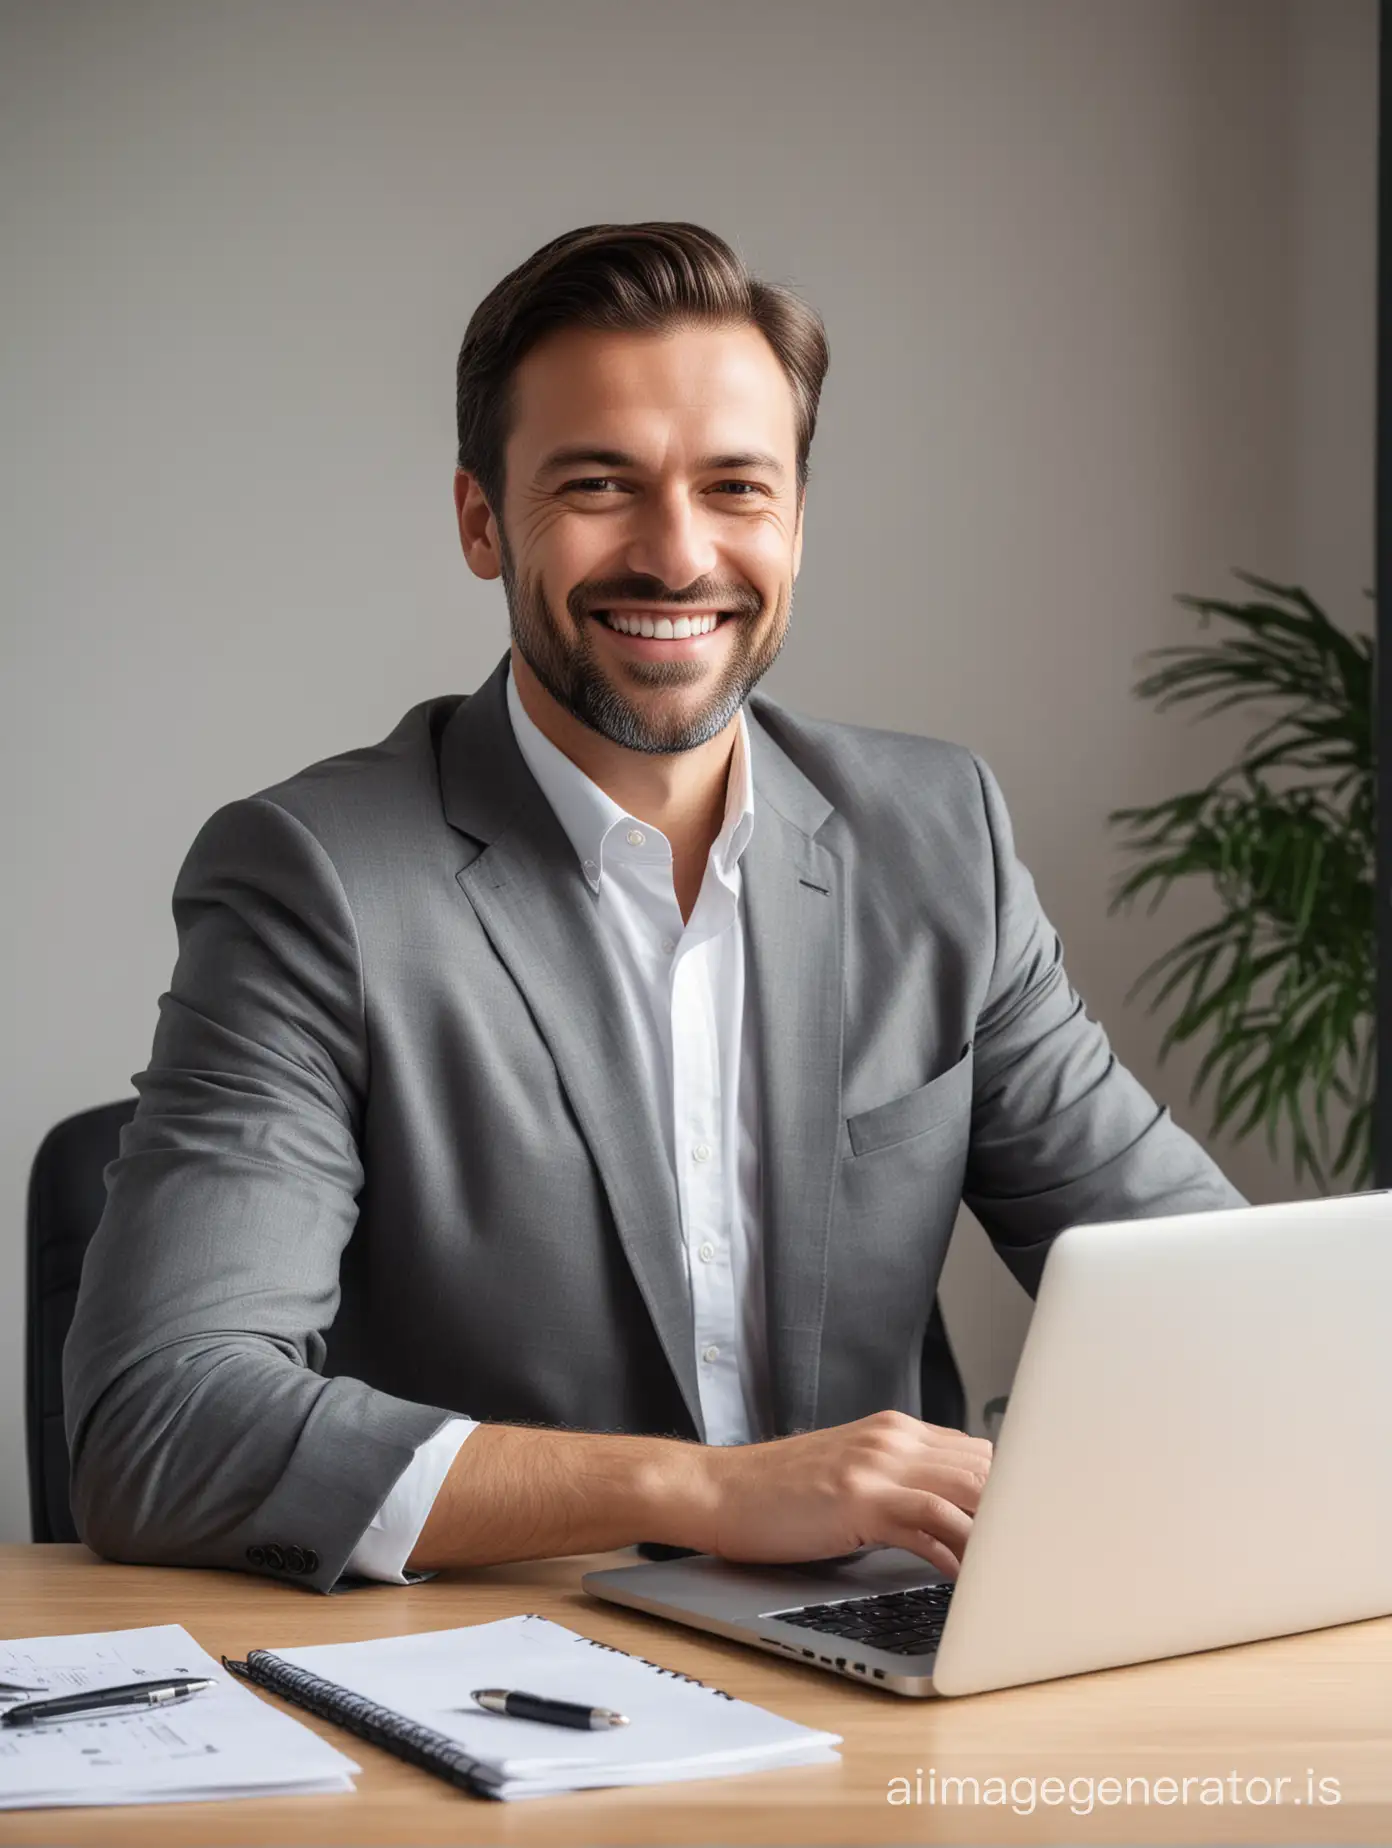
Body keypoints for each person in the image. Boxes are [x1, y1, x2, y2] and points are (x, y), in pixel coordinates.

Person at [63, 221, 1245, 1595]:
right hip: (497, 1687)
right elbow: (160, 1422)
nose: (678, 557)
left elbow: (1213, 1299)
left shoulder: (937, 842)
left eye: (736, 487)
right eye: (601, 485)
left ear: (797, 519)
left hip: (875, 1661)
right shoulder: (317, 879)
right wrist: (705, 1492)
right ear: (480, 520)